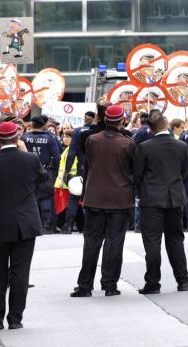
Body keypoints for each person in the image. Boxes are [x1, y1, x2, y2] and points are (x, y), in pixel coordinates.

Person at [0, 122, 45, 333]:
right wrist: (28, 152)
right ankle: (15, 318)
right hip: (26, 224)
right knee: (20, 273)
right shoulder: (31, 159)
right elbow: (45, 180)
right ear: (17, 139)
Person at [71, 104, 136, 297]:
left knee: (91, 242)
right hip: (120, 198)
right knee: (114, 242)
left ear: (104, 119)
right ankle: (109, 284)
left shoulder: (92, 140)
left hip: (95, 197)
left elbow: (89, 162)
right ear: (122, 120)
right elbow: (133, 170)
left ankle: (85, 285)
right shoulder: (128, 143)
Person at [134, 111, 188, 294]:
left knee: (152, 242)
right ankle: (183, 280)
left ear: (149, 128)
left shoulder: (144, 147)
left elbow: (138, 175)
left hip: (151, 199)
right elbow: (184, 173)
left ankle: (153, 283)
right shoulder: (181, 146)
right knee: (175, 239)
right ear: (166, 122)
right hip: (174, 197)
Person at [21, 116, 61, 234]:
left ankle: (30, 225)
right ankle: (47, 225)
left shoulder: (24, 137)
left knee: (30, 199)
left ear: (32, 124)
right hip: (45, 171)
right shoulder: (49, 138)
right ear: (44, 125)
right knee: (46, 198)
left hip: (28, 172)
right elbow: (57, 157)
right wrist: (56, 172)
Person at [55, 129, 79, 234]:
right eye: (64, 136)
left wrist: (62, 181)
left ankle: (68, 225)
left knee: (69, 205)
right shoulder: (67, 149)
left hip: (69, 180)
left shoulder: (72, 150)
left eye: (68, 137)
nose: (65, 139)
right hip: (67, 181)